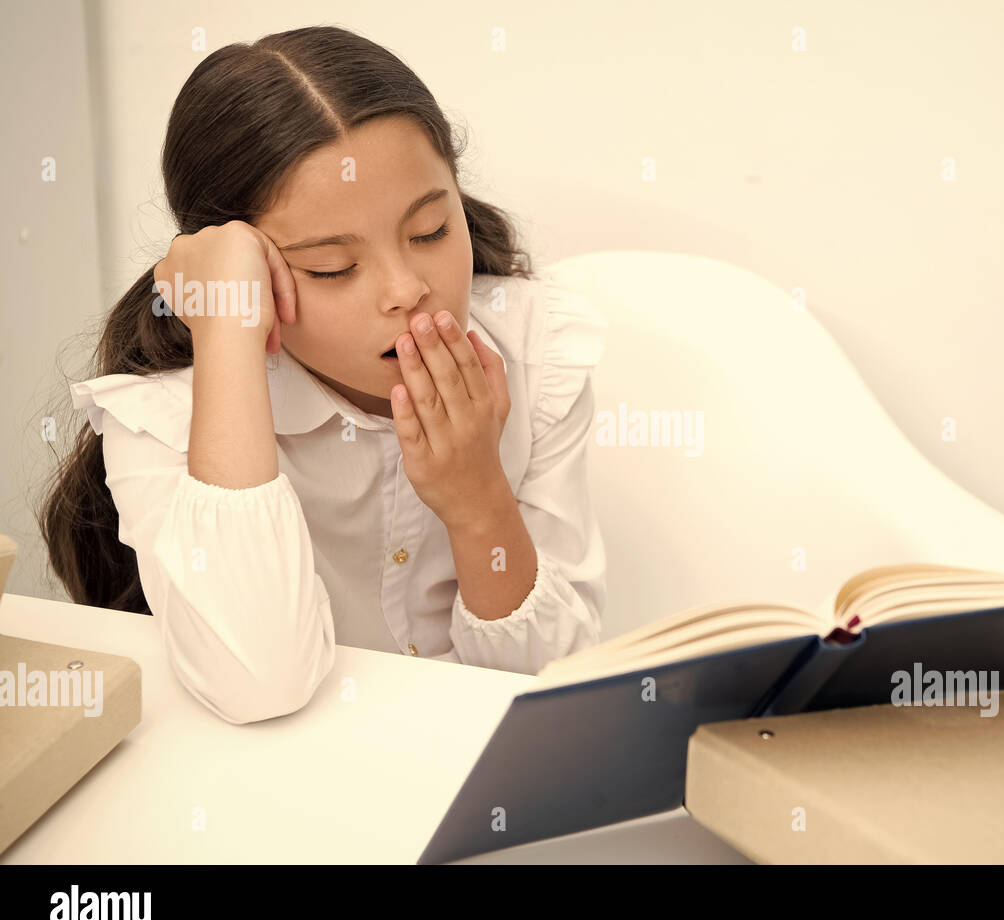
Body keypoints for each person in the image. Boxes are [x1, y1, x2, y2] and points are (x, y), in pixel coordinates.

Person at [39, 26, 607, 725]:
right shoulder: (165, 417)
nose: (406, 289)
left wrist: (478, 501)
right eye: (332, 268)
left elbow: (560, 694)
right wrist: (227, 328)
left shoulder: (536, 351)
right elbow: (257, 683)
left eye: (430, 230)